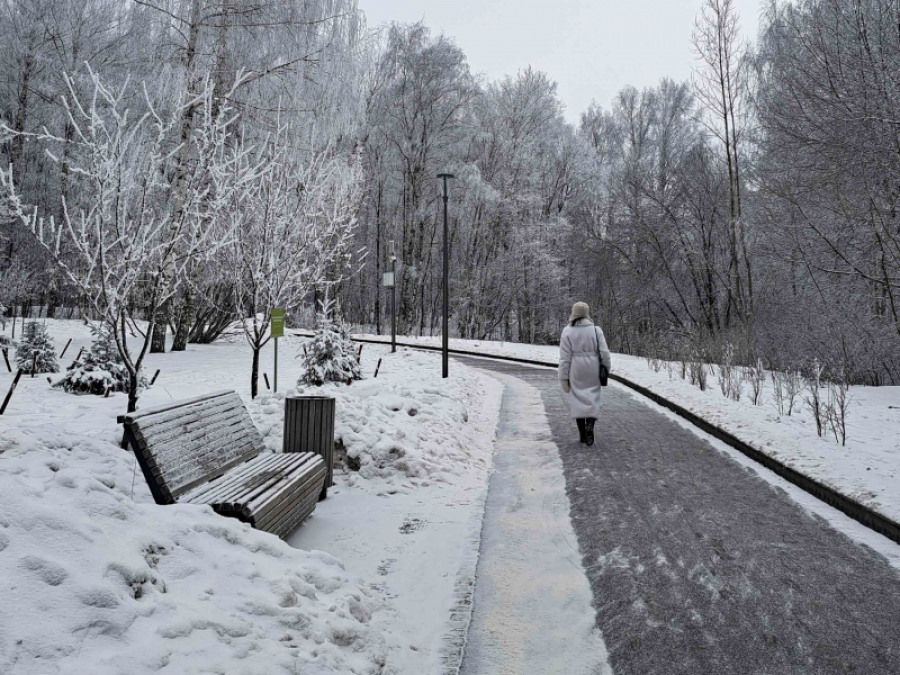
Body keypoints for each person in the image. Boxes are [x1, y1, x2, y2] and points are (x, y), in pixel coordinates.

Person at [558, 302, 612, 446]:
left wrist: (563, 377)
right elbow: (605, 353)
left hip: (576, 368)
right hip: (593, 367)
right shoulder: (596, 330)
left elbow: (564, 357)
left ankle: (582, 435)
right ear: (587, 313)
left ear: (574, 313)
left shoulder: (568, 331)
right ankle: (590, 426)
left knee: (577, 400)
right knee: (592, 398)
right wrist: (606, 368)